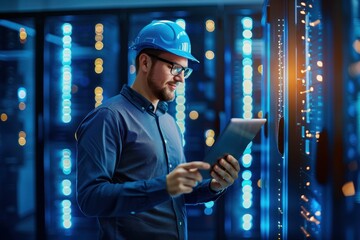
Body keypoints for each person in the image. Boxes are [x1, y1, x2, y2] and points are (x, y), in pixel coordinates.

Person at [75, 20, 240, 240]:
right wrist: (164, 185)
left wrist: (213, 186)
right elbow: (90, 199)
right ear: (145, 62)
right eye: (175, 68)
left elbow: (176, 193)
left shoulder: (169, 122)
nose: (181, 78)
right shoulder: (109, 117)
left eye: (185, 70)